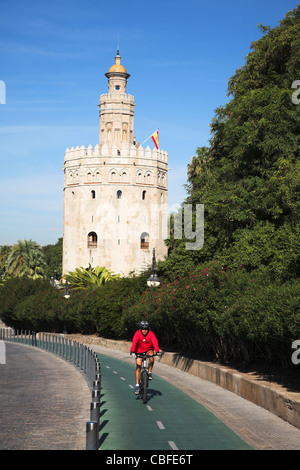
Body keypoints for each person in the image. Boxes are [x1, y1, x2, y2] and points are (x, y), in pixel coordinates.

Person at [130, 320, 159, 394]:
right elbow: (134, 342)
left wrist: (157, 351)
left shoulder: (151, 334)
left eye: (146, 329)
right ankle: (137, 385)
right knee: (138, 365)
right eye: (143, 329)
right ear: (140, 329)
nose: (144, 331)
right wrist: (133, 351)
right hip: (139, 350)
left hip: (148, 349)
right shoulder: (137, 333)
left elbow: (155, 341)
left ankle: (149, 372)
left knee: (151, 357)